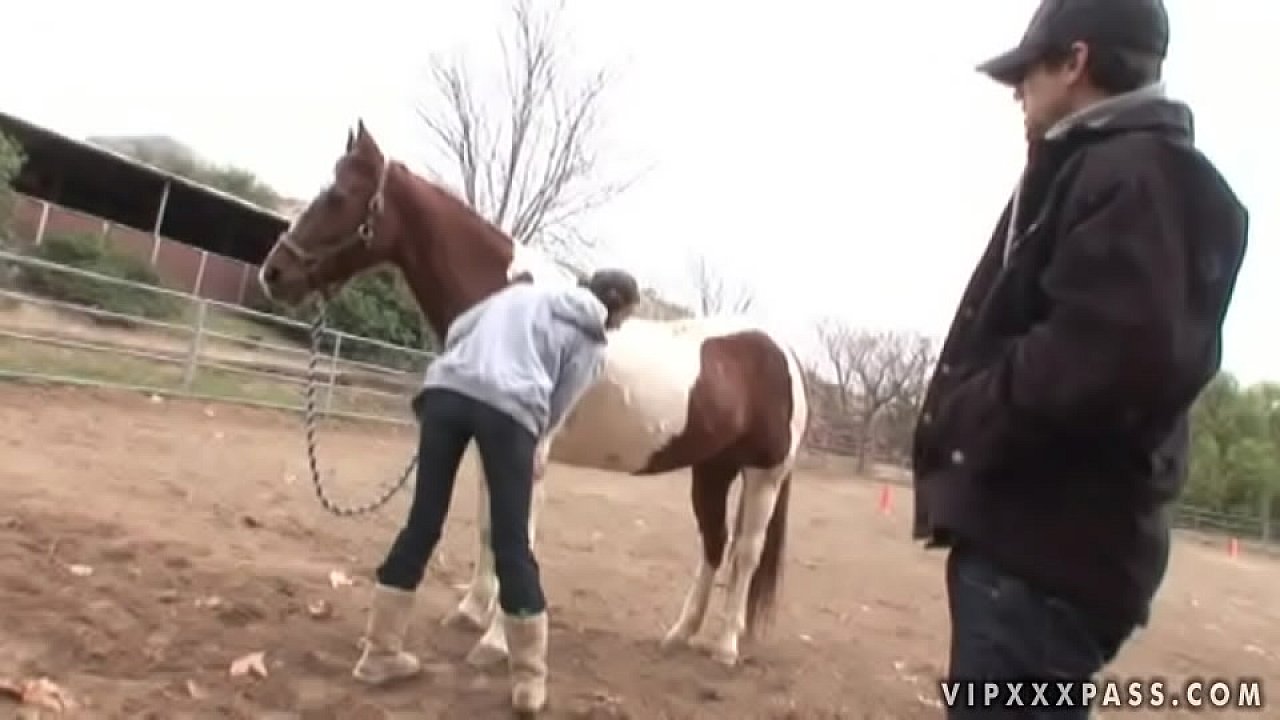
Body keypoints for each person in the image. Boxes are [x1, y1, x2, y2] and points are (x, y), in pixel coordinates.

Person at [910, 0, 1248, 717]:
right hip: (1038, 547)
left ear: (1076, 61)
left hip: (1043, 554)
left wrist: (965, 414)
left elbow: (1100, 362)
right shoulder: (1103, 169)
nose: (1017, 90)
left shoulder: (1137, 176)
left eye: (1028, 69)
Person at [351, 268, 641, 714]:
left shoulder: (520, 295)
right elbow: (559, 401)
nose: (621, 326)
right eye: (625, 317)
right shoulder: (593, 342)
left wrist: (463, 376)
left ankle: (379, 653)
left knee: (422, 523)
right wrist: (535, 442)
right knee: (512, 542)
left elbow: (459, 330)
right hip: (511, 412)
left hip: (445, 394)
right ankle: (528, 681)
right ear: (615, 308)